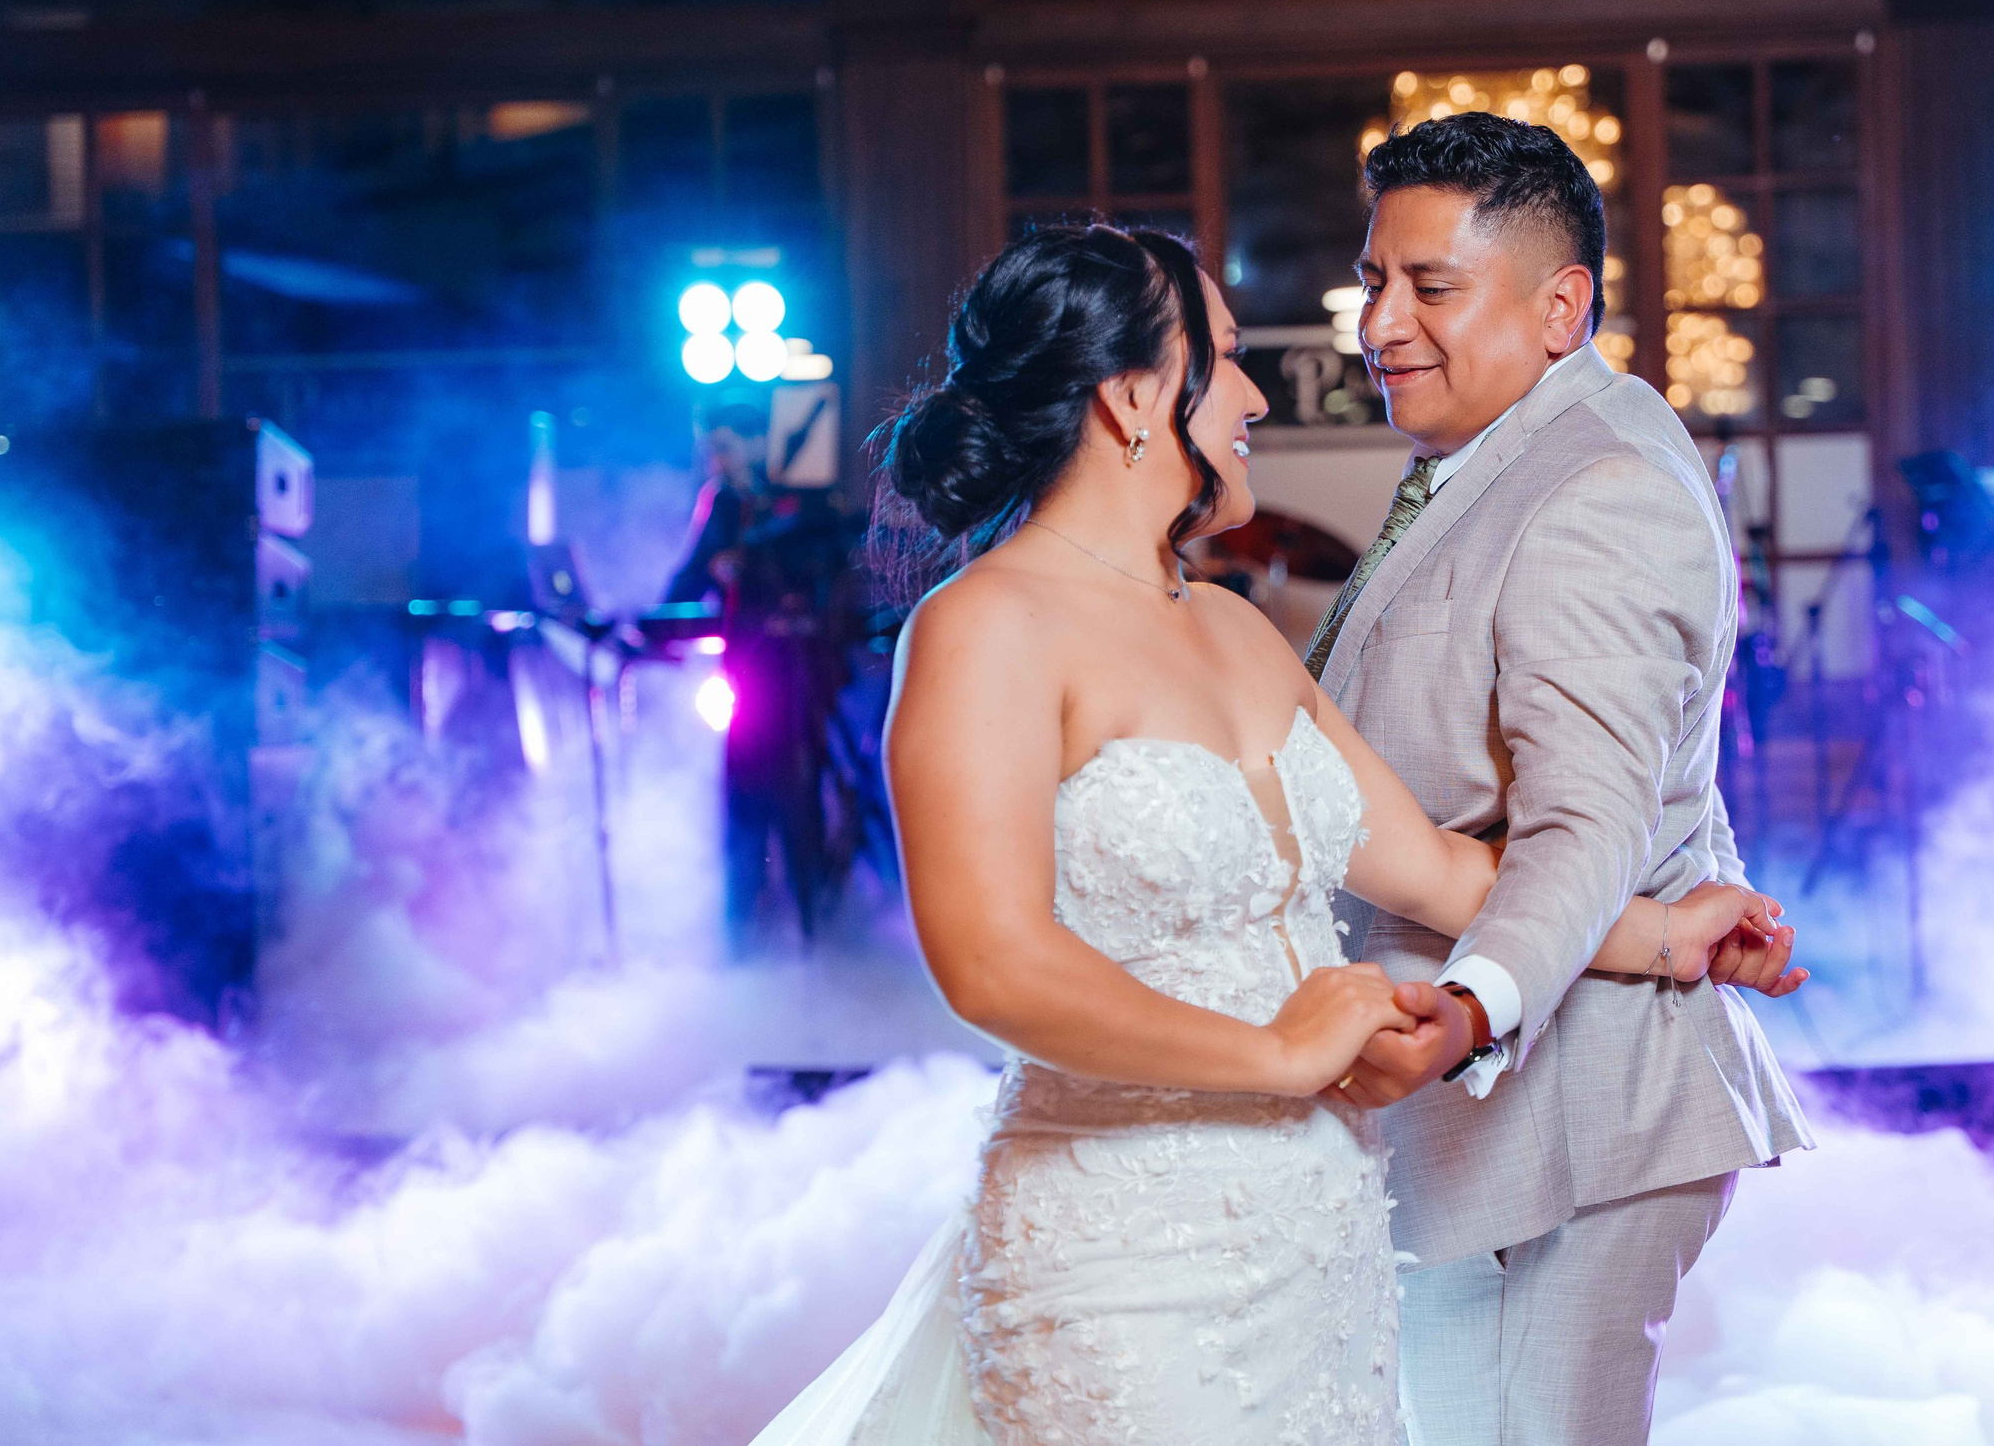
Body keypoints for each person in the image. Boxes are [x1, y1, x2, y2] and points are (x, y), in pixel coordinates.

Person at [743, 223, 1795, 1445]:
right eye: (1227, 359)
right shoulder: (986, 626)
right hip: (1123, 1250)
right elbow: (993, 964)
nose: (1252, 396)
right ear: (1134, 394)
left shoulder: (1237, 631)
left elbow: (1440, 869)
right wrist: (1281, 1055)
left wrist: (1667, 936)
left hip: (1320, 1235)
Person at [1312, 111, 1815, 1446]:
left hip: (1579, 1107)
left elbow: (1584, 817)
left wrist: (1475, 1000)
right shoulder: (1494, 457)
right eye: (1374, 279)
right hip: (1493, 1125)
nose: (1380, 321)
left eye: (1429, 286)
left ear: (1559, 306)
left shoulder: (1595, 485)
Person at [665, 401, 847, 952]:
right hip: (746, 675)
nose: (714, 459)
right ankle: (742, 936)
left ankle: (817, 935)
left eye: (722, 446)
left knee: (801, 800)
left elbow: (834, 567)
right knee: (744, 803)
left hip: (800, 676)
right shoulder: (721, 503)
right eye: (708, 449)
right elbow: (690, 574)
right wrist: (650, 624)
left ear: (755, 442)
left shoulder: (803, 498)